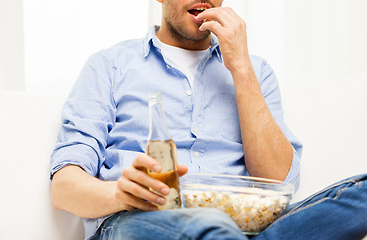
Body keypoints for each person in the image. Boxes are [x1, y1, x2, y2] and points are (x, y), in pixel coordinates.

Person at [50, 0, 367, 239]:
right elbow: (64, 190)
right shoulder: (110, 65)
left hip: (248, 225)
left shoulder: (255, 70)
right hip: (140, 220)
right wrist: (120, 193)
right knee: (208, 226)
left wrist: (240, 68)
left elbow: (279, 185)